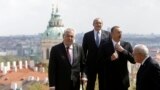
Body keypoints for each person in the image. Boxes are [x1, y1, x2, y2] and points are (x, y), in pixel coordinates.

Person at [101, 26, 135, 90]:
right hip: (109, 81)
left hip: (123, 81)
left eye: (121, 32)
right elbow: (99, 62)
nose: (121, 34)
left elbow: (133, 60)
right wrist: (110, 59)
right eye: (118, 32)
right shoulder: (104, 46)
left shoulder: (127, 45)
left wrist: (123, 51)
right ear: (112, 34)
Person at [82, 18, 110, 90]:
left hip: (103, 64)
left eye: (100, 23)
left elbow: (110, 49)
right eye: (97, 23)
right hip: (91, 64)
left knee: (103, 84)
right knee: (90, 84)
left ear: (102, 24)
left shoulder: (108, 34)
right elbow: (84, 51)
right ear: (93, 24)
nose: (98, 24)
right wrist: (84, 66)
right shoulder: (87, 35)